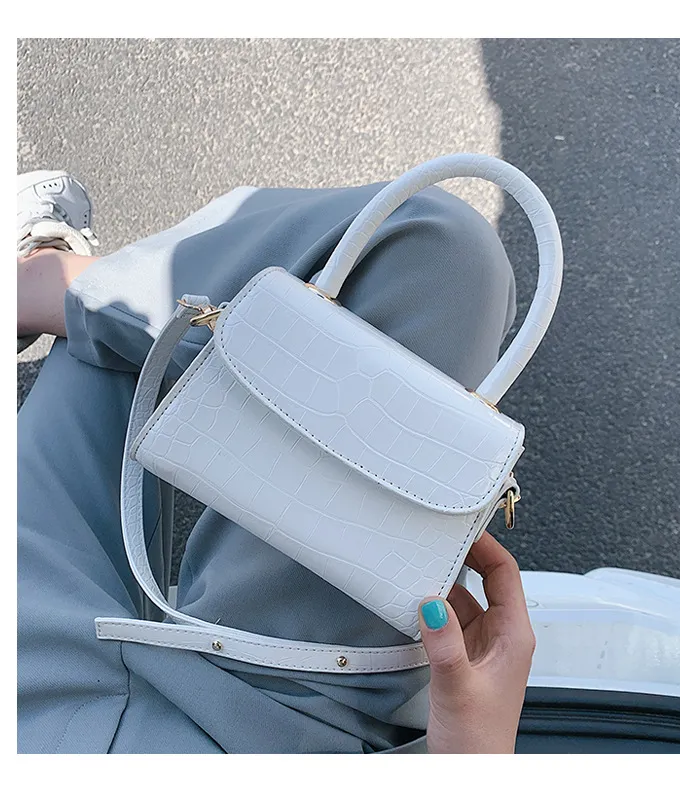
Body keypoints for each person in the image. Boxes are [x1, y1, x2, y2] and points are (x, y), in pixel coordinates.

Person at [17, 169, 535, 754]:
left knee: (111, 346)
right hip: (291, 718)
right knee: (437, 251)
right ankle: (53, 287)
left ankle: (60, 285)